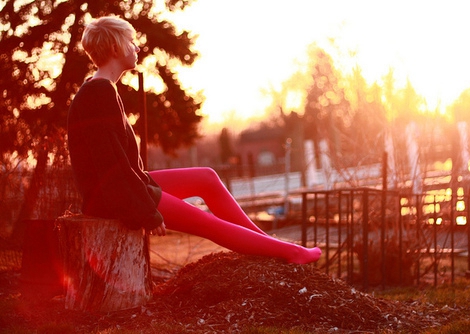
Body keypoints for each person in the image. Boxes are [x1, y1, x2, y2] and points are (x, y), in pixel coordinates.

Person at [67, 15, 321, 265]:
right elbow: (110, 166)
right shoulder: (98, 93)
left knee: (207, 178)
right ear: (115, 47)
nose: (137, 47)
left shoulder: (102, 88)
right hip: (115, 198)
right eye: (131, 41)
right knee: (208, 223)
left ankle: (268, 243)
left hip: (130, 185)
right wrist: (147, 213)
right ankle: (291, 254)